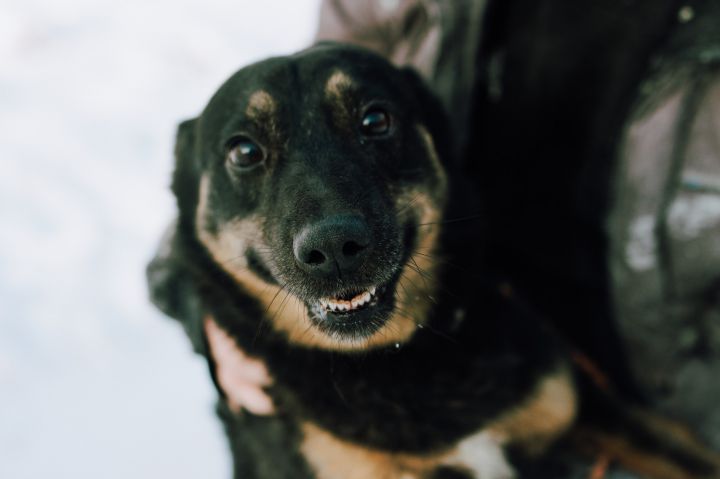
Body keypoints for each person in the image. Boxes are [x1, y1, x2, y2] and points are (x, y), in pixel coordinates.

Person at [147, 0, 720, 469]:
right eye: (247, 154)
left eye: (373, 122)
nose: (326, 244)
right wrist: (212, 311)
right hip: (483, 307)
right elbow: (307, 93)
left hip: (646, 376)